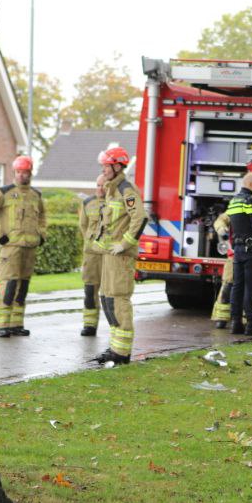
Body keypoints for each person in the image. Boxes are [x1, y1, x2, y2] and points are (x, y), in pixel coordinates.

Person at [94, 145, 146, 365]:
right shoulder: (111, 189)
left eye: (106, 166)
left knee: (118, 299)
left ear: (117, 166)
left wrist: (125, 244)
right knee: (107, 299)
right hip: (109, 254)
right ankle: (115, 348)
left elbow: (140, 218)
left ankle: (122, 354)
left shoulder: (126, 190)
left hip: (120, 256)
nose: (104, 170)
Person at [0, 154, 47, 338]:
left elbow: (42, 217)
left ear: (30, 173)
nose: (22, 175)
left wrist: (41, 235)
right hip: (11, 248)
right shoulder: (3, 192)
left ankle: (16, 324)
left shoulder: (36, 195)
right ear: (14, 172)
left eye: (25, 172)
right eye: (19, 172)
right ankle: (2, 324)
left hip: (30, 248)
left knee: (23, 286)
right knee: (9, 284)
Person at [210, 185, 252, 330]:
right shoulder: (240, 205)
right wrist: (222, 229)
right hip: (237, 254)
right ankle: (222, 318)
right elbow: (221, 220)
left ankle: (248, 322)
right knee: (229, 285)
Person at [225, 172, 252, 336]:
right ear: (250, 184)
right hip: (251, 251)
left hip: (238, 249)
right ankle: (251, 324)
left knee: (237, 287)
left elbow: (232, 228)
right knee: (251, 289)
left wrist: (234, 246)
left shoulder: (233, 201)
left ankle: (236, 323)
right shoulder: (251, 201)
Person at [78, 175, 106, 337]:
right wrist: (91, 242)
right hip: (91, 255)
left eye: (103, 185)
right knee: (90, 290)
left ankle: (114, 326)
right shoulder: (87, 202)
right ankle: (89, 325)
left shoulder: (116, 202)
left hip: (109, 255)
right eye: (98, 185)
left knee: (110, 292)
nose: (100, 188)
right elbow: (83, 225)